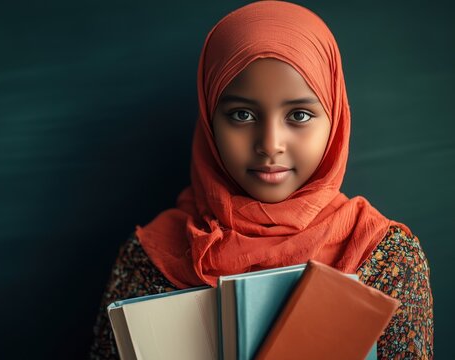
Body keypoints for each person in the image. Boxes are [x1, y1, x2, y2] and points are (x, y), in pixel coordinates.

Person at [89, 1, 434, 359]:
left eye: (299, 115)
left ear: (334, 119)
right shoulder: (150, 258)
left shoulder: (384, 257)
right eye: (241, 114)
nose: (270, 145)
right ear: (210, 120)